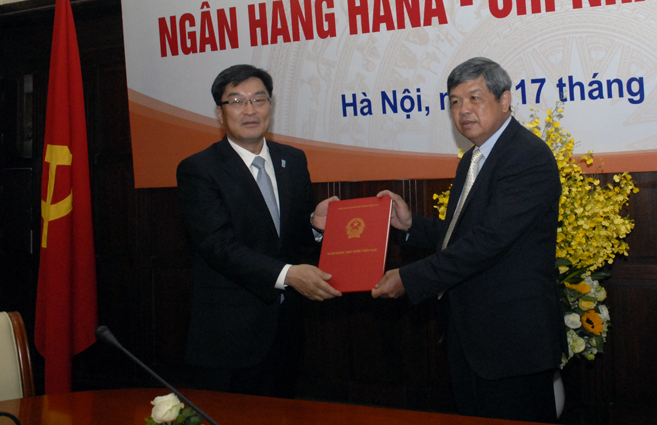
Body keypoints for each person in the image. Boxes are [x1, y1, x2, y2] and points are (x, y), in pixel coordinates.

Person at [372, 57, 567, 422]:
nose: (463, 110)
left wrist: (411, 278)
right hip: (472, 337)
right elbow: (462, 234)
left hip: (513, 342)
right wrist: (411, 225)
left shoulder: (526, 157)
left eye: (475, 97)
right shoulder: (473, 159)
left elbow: (488, 242)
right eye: (455, 101)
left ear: (505, 100)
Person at [177, 64, 341, 397]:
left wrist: (313, 224)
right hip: (229, 336)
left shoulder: (292, 160)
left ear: (270, 106)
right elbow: (218, 246)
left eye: (259, 99)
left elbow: (289, 236)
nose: (250, 110)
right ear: (220, 112)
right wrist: (288, 274)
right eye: (237, 101)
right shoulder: (199, 169)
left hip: (285, 330)